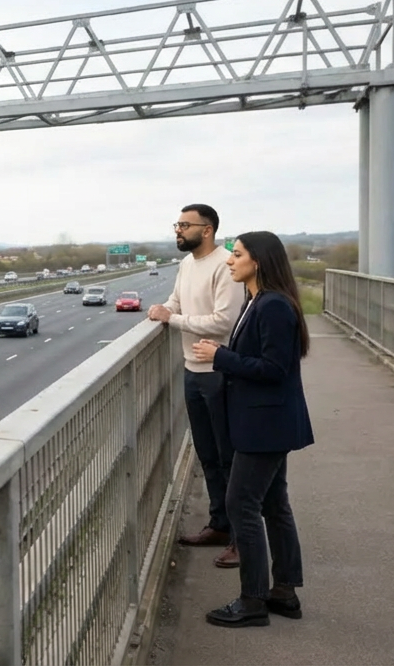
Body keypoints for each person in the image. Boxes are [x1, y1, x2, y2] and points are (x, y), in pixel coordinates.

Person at [191, 231, 315, 628]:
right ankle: (283, 592)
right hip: (266, 422)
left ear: (258, 261)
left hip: (265, 424)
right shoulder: (258, 300)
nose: (230, 260)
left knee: (240, 504)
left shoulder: (274, 305)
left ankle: (252, 600)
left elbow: (275, 370)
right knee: (274, 505)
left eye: (237, 254)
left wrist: (220, 356)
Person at [148, 204, 246, 568]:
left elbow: (224, 321)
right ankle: (219, 525)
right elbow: (176, 302)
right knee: (207, 455)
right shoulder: (187, 264)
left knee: (228, 457)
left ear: (206, 230)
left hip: (219, 373)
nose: (178, 230)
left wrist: (172, 318)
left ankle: (240, 537)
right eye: (177, 223)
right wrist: (163, 309)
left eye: (184, 225)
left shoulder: (224, 265)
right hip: (193, 371)